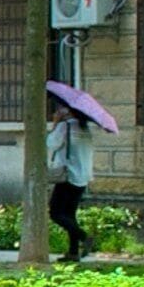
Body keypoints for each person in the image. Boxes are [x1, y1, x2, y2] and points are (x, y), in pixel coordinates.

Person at [45, 106, 97, 262]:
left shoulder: (64, 126)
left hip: (68, 176)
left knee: (55, 213)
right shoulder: (85, 128)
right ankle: (73, 252)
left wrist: (55, 123)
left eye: (61, 110)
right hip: (83, 176)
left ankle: (84, 237)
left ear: (68, 112)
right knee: (69, 214)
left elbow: (51, 144)